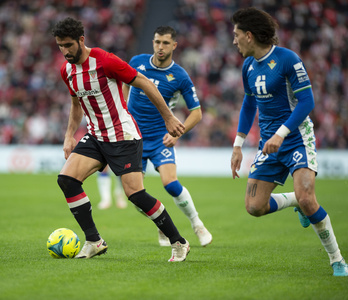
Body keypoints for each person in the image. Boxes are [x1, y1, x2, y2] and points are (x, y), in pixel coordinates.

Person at [52, 17, 190, 262]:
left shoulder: (105, 60)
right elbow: (76, 104)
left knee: (136, 195)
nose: (65, 51)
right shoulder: (67, 70)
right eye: (60, 46)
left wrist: (168, 118)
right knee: (67, 180)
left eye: (69, 45)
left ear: (81, 40)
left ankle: (178, 241)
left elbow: (145, 82)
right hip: (95, 136)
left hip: (123, 136)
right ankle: (94, 241)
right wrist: (68, 135)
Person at [230, 7, 348, 276]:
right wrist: (238, 144)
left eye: (236, 35)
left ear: (249, 36)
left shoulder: (288, 60)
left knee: (308, 198)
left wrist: (280, 134)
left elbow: (307, 101)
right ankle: (294, 201)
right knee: (254, 207)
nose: (234, 41)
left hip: (295, 139)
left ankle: (337, 260)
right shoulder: (247, 66)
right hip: (268, 145)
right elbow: (249, 104)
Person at [123, 26, 212, 247]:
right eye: (157, 42)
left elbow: (197, 113)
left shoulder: (180, 76)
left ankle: (197, 223)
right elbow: (125, 83)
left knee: (170, 183)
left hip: (160, 138)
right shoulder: (137, 62)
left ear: (174, 45)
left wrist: (177, 135)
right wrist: (124, 109)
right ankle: (162, 225)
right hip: (134, 138)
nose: (160, 47)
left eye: (165, 43)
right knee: (135, 196)